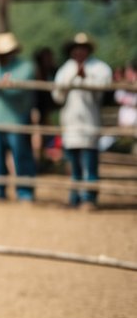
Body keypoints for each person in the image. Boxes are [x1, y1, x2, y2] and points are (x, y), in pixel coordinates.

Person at [52, 33, 111, 209]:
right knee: (73, 164)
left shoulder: (100, 68)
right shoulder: (65, 70)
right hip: (70, 123)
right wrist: (72, 79)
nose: (79, 51)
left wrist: (86, 78)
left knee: (89, 162)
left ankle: (89, 197)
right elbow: (57, 96)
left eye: (82, 47)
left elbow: (103, 91)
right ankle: (75, 196)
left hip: (89, 122)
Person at [0, 32, 36, 202]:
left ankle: (25, 192)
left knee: (21, 157)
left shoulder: (25, 68)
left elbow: (18, 90)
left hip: (16, 121)